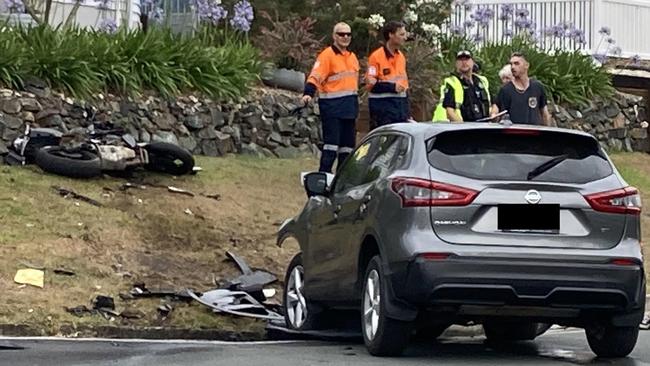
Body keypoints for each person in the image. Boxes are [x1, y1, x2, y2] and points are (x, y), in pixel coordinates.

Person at [302, 22, 360, 173]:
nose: (345, 37)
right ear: (334, 36)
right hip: (332, 108)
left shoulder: (352, 57)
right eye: (341, 34)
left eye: (348, 34)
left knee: (347, 149)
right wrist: (308, 93)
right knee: (331, 147)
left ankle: (341, 181)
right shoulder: (327, 56)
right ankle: (323, 177)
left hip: (349, 109)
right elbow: (315, 76)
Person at [365, 21, 409, 130]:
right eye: (401, 34)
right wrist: (392, 87)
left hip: (399, 110)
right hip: (382, 111)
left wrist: (407, 113)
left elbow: (404, 87)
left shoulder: (401, 57)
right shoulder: (376, 57)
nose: (405, 38)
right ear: (390, 35)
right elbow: (371, 86)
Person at [492, 52, 552, 126]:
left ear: (526, 65)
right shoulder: (505, 90)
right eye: (511, 64)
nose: (513, 67)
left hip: (533, 133)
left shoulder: (537, 87)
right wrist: (494, 115)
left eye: (516, 63)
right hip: (513, 134)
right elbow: (496, 110)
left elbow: (545, 114)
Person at [432, 50, 491, 122]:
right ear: (456, 64)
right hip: (458, 128)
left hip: (481, 126)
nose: (464, 62)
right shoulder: (451, 82)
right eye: (460, 60)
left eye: (467, 59)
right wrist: (463, 129)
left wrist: (493, 114)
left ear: (473, 62)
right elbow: (450, 112)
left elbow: (492, 104)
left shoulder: (482, 81)